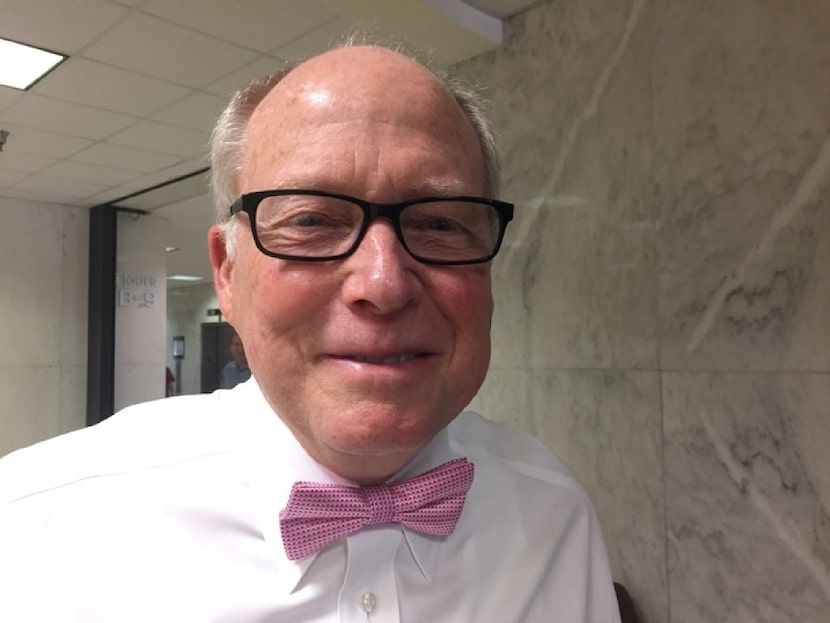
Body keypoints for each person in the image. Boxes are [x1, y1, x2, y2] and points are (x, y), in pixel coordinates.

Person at [0, 40, 621, 622]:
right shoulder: (36, 529)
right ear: (227, 273)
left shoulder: (555, 517)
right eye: (312, 220)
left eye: (439, 224)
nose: (382, 283)